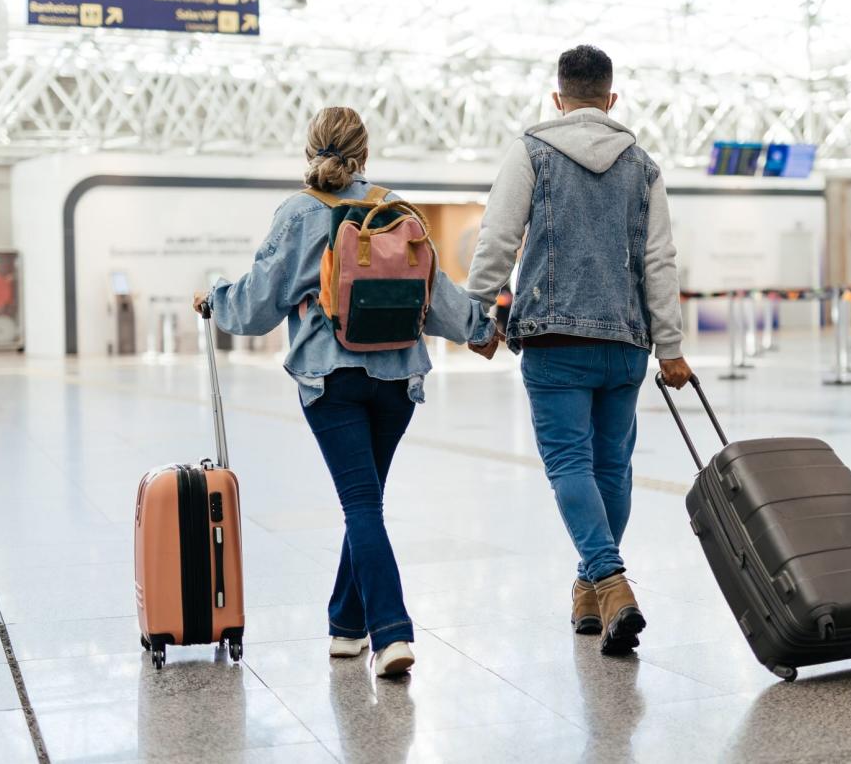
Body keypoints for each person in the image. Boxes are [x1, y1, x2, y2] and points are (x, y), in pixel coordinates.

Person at [194, 107, 500, 678]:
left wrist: (215, 297)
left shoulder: (299, 214)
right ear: (366, 151)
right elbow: (433, 292)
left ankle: (392, 634)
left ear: (310, 151)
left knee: (361, 506)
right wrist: (481, 330)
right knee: (367, 504)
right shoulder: (394, 209)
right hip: (397, 382)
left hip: (331, 382)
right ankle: (344, 627)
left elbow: (258, 303)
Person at [466, 45, 693, 655]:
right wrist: (669, 346)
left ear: (558, 99)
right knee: (612, 468)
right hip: (625, 344)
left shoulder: (532, 151)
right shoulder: (642, 166)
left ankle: (611, 582)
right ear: (611, 99)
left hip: (554, 341)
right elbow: (659, 264)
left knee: (569, 465)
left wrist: (476, 312)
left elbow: (498, 238)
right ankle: (589, 590)